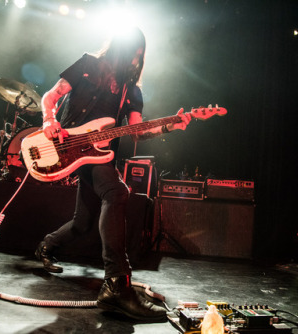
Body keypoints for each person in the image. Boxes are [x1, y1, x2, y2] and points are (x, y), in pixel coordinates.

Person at [34, 27, 191, 321]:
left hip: (97, 153)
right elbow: (50, 96)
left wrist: (172, 124)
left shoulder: (132, 90)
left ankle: (47, 244)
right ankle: (116, 284)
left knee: (84, 222)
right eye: (134, 53)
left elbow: (139, 130)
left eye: (140, 56)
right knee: (117, 192)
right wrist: (48, 120)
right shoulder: (88, 64)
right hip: (67, 146)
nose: (136, 60)